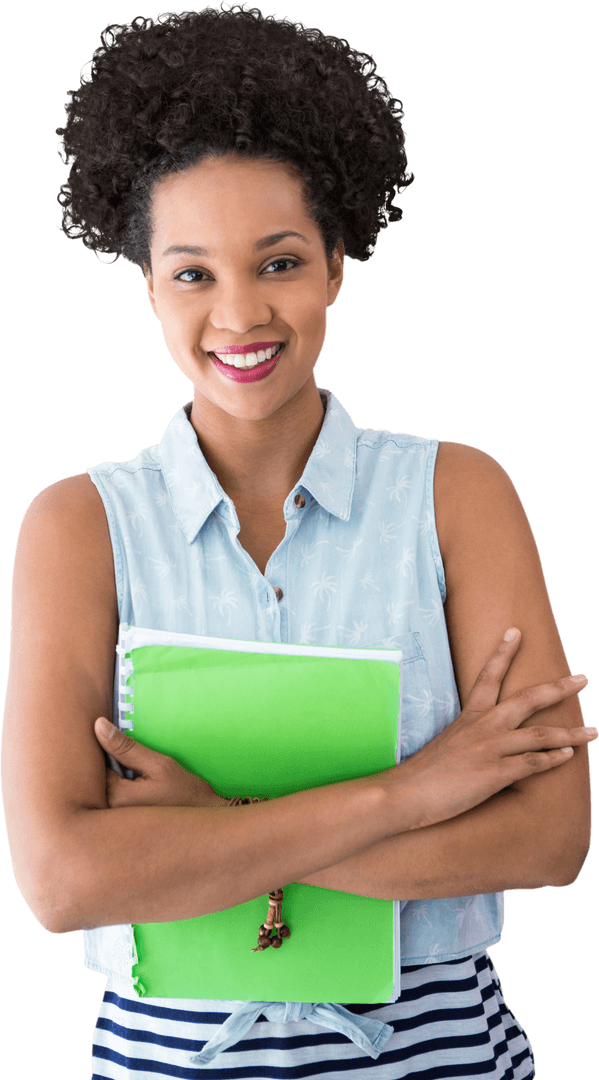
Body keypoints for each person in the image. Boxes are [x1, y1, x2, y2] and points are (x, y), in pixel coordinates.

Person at [2, 3, 594, 1077]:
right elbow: (62, 880)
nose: (238, 316)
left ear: (334, 262)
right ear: (146, 285)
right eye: (192, 273)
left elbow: (546, 840)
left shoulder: (460, 495)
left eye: (276, 263)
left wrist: (203, 837)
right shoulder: (77, 527)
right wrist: (408, 797)